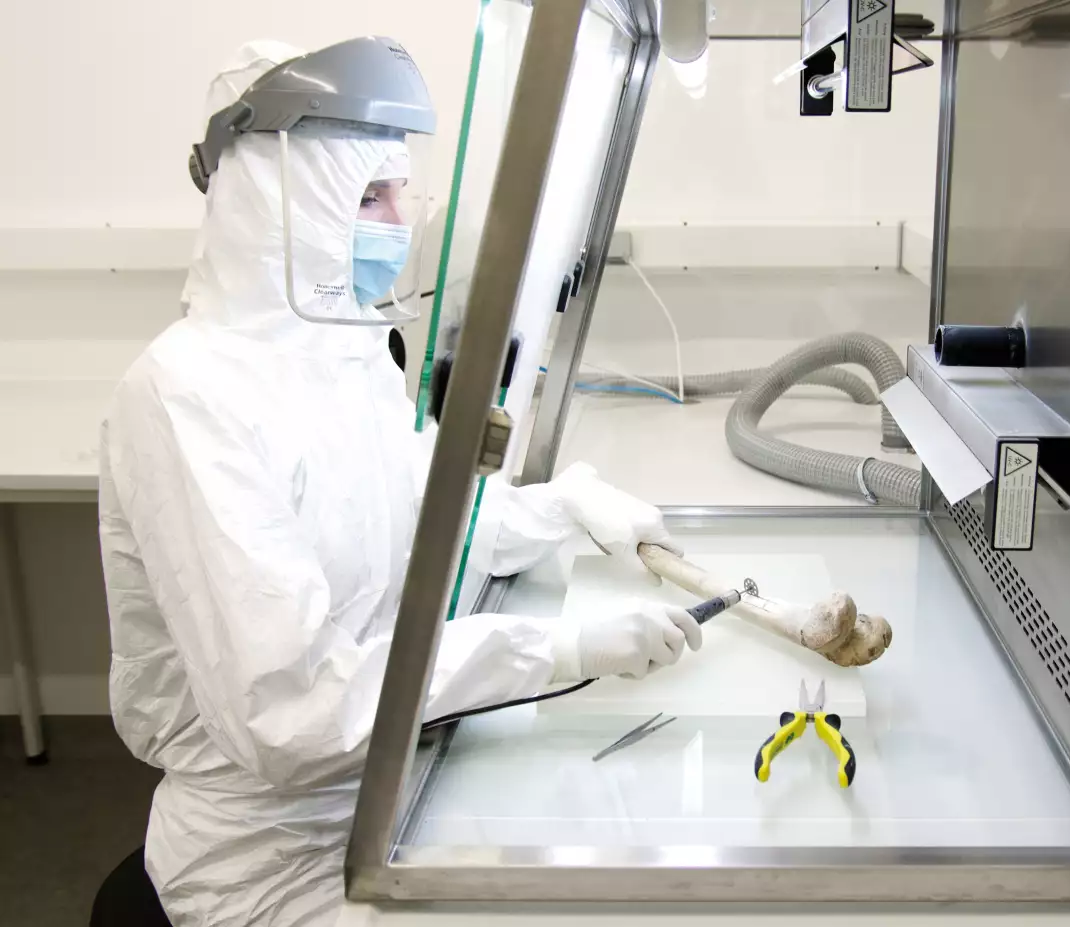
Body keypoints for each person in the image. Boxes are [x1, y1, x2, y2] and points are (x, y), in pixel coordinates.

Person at [98, 40, 700, 927]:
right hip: (268, 863)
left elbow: (427, 519)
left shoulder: (347, 351)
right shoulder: (186, 398)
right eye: (368, 197)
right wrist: (555, 649)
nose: (398, 221)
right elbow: (295, 716)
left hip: (390, 798)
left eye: (399, 194)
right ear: (276, 201)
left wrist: (562, 509)